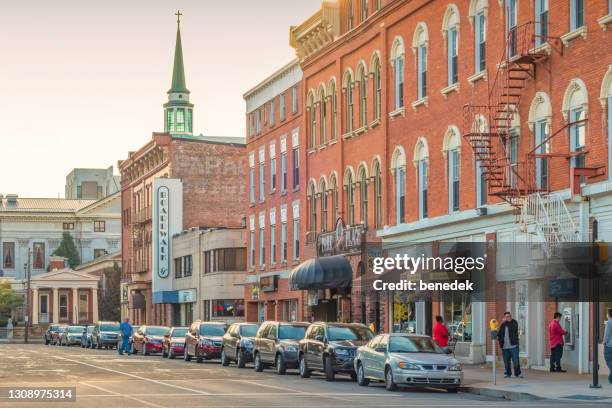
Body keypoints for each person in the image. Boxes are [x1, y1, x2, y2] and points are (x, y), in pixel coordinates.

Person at [497, 311, 522, 378]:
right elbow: (499, 334)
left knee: (516, 361)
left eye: (510, 316)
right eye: (507, 316)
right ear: (504, 317)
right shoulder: (503, 325)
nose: (509, 317)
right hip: (505, 347)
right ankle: (508, 373)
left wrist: (504, 323)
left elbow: (513, 329)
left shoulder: (514, 322)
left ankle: (518, 373)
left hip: (513, 346)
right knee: (506, 362)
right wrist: (500, 341)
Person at [603, 309, 612, 385]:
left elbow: (607, 334)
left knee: (608, 361)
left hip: (609, 345)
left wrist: (604, 342)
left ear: (608, 315)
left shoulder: (609, 322)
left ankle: (610, 378)